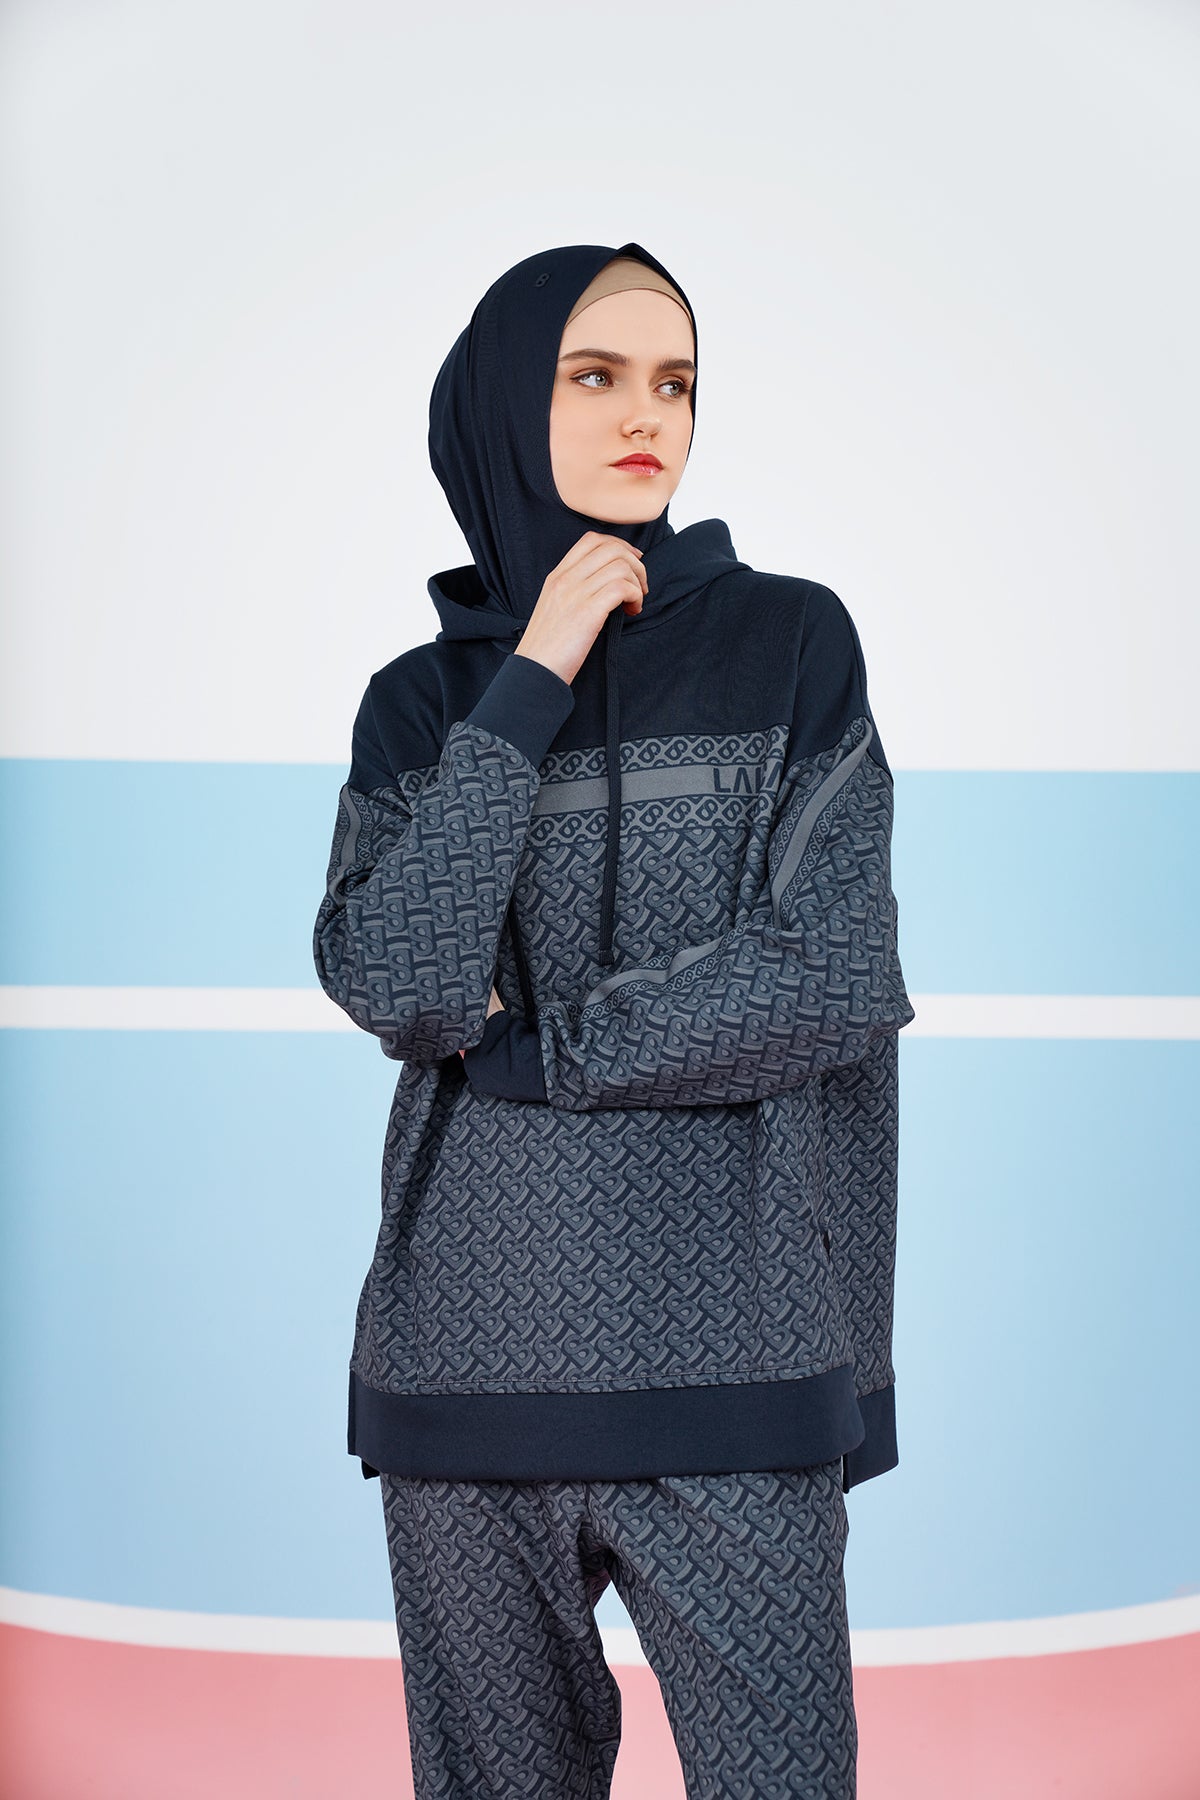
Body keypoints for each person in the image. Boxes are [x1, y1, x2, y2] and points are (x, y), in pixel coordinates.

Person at [312, 239, 915, 1800]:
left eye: (677, 381)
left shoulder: (791, 643)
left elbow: (832, 974)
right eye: (596, 375)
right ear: (506, 402)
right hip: (464, 1373)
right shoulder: (419, 705)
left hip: (744, 1359)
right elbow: (402, 982)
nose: (650, 415)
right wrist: (530, 677)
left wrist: (535, 1047)